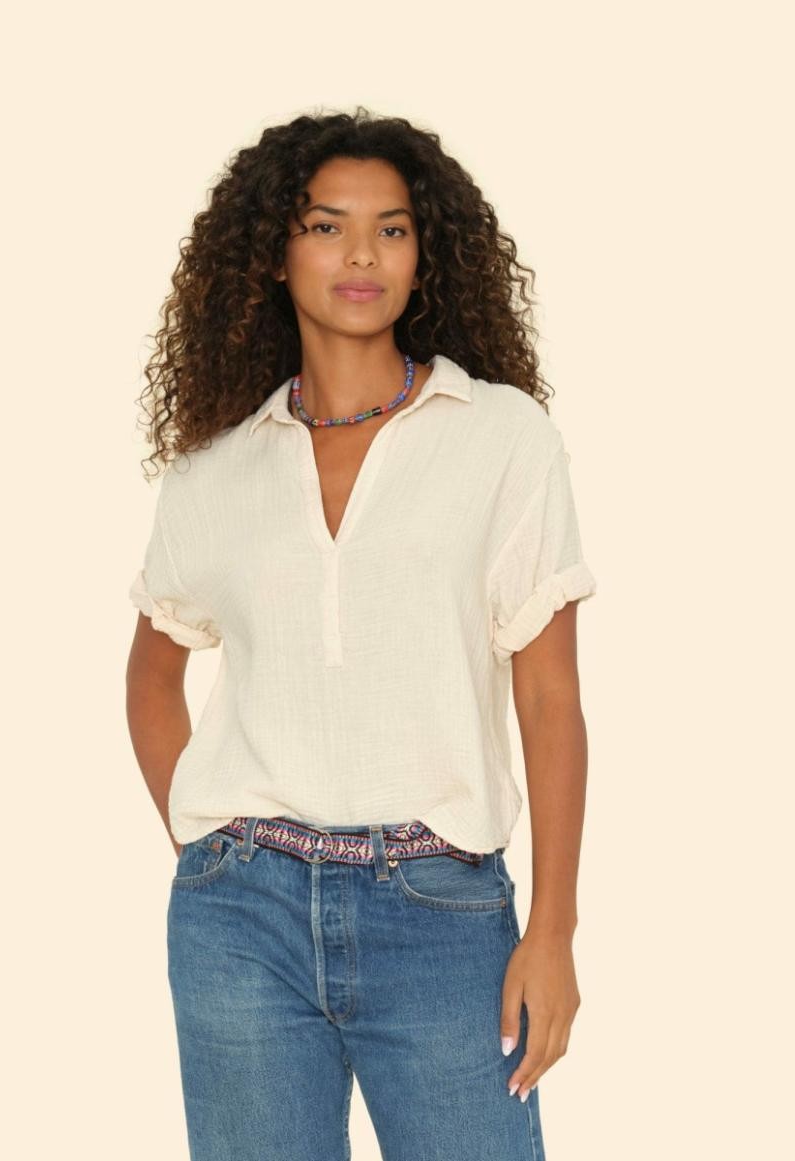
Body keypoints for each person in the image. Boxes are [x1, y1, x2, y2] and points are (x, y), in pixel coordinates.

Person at [126, 106, 597, 1161]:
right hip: (240, 922)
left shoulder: (501, 438)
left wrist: (553, 929)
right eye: (326, 225)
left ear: (424, 255)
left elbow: (549, 695)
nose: (360, 254)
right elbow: (153, 676)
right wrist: (207, 850)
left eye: (391, 228)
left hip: (441, 909)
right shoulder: (216, 468)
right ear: (273, 252)